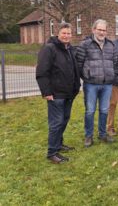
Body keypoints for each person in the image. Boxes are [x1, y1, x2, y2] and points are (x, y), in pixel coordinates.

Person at [36, 22, 80, 163]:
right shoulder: (49, 49)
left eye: (68, 33)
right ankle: (52, 152)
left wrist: (76, 87)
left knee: (64, 120)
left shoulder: (70, 49)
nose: (66, 36)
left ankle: (59, 144)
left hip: (69, 94)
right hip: (55, 94)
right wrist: (46, 92)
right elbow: (42, 72)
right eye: (64, 33)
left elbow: (74, 70)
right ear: (58, 33)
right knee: (56, 123)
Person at [76, 19, 116, 147]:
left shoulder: (111, 45)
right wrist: (87, 76)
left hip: (107, 84)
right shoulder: (85, 44)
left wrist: (110, 75)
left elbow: (114, 62)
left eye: (104, 30)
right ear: (94, 30)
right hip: (91, 84)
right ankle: (88, 136)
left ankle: (102, 134)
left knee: (104, 110)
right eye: (99, 29)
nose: (102, 32)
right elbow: (79, 63)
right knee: (90, 111)